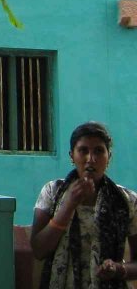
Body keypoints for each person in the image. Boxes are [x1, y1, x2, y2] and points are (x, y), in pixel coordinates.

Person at [31, 121, 137, 288]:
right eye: (83, 151)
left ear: (109, 157)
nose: (91, 159)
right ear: (72, 156)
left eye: (99, 151)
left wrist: (118, 269)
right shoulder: (53, 192)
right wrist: (68, 206)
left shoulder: (127, 201)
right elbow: (38, 249)